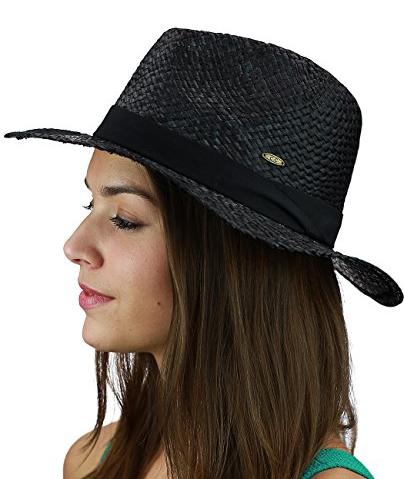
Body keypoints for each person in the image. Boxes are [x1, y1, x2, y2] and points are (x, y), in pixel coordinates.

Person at [5, 27, 400, 478]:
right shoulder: (91, 461)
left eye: (124, 219)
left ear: (230, 261)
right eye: (89, 204)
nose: (74, 247)